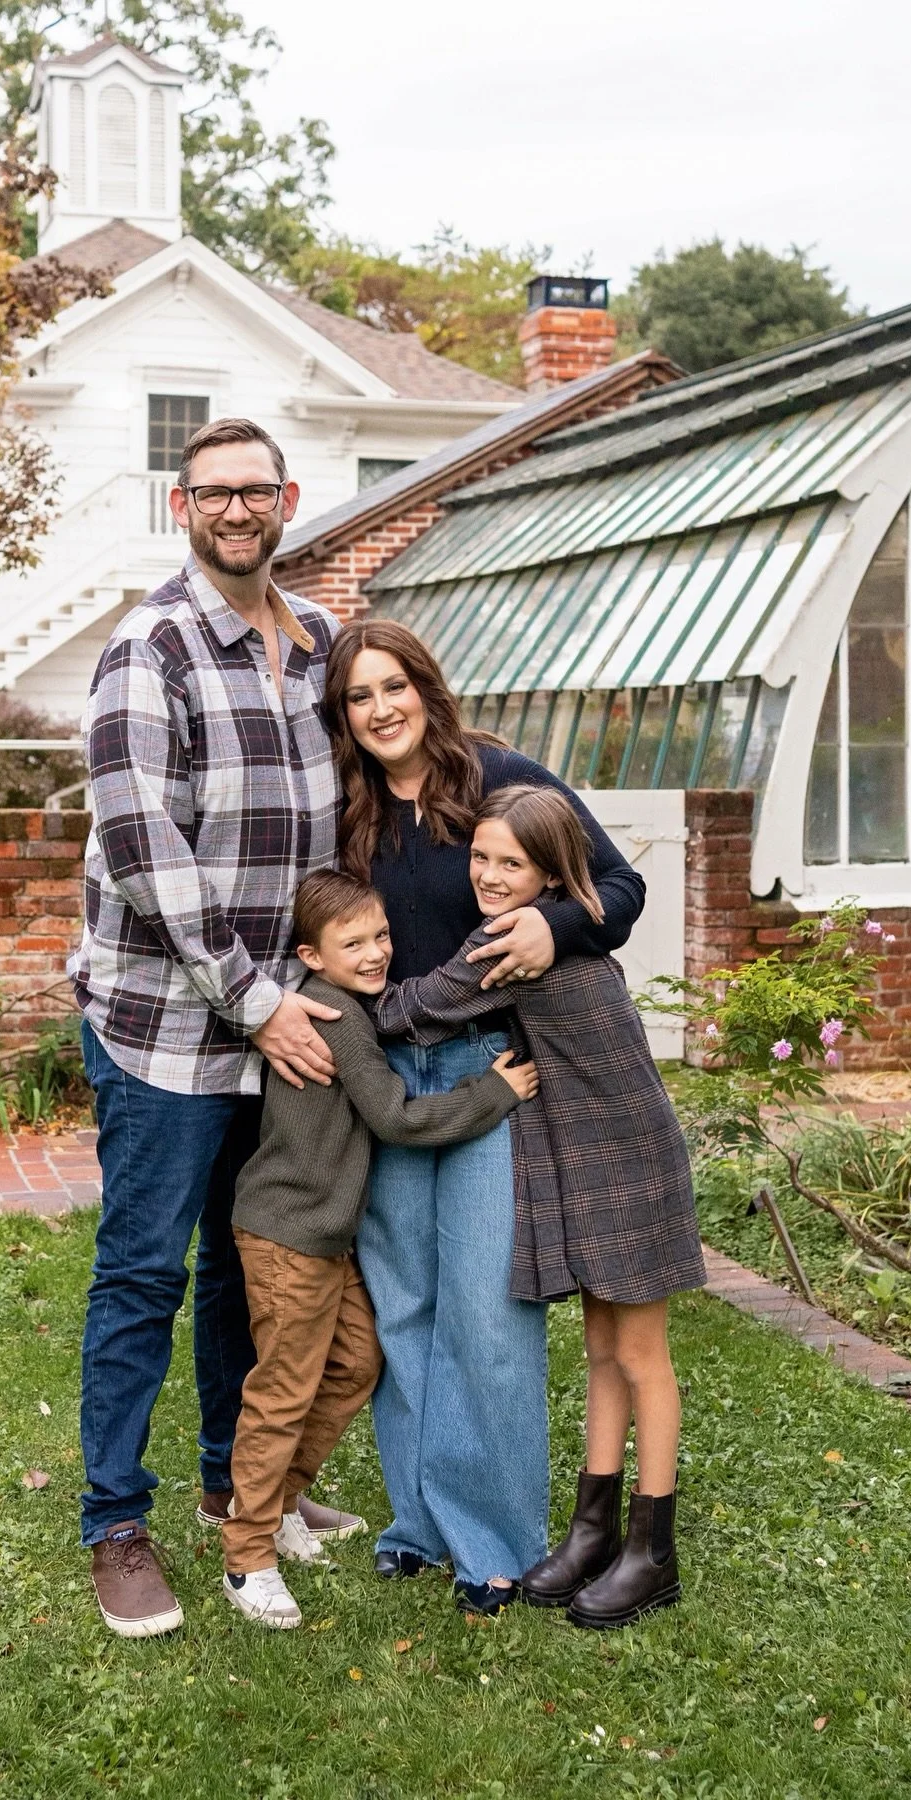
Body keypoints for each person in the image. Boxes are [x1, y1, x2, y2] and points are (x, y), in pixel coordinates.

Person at [69, 417, 363, 1641]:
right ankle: (113, 1525)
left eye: (257, 490)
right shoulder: (150, 649)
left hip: (280, 1028)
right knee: (146, 1274)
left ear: (287, 499)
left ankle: (232, 1485)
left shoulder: (321, 647)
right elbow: (148, 855)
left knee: (259, 1273)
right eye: (214, 493)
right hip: (169, 1027)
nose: (238, 510)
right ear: (179, 506)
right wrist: (260, 1001)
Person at [323, 619, 647, 1614]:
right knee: (405, 1309)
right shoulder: (350, 813)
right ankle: (420, 1524)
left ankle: (499, 1543)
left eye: (394, 687)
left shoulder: (500, 778)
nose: (381, 710)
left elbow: (620, 889)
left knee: (486, 1313)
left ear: (425, 685)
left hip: (494, 1071)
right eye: (358, 698)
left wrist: (550, 926)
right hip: (385, 1077)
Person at [374, 784, 706, 1630]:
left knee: (642, 1356)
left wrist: (336, 988)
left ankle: (651, 1550)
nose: (485, 875)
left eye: (507, 863)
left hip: (627, 1159)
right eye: (478, 857)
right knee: (602, 1349)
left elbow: (415, 1010)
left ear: (549, 871)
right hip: (589, 1156)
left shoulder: (513, 946)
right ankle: (593, 1532)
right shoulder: (550, 922)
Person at [221, 869, 537, 1628]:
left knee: (359, 1359)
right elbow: (395, 1119)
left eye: (381, 936)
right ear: (312, 955)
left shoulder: (347, 1004)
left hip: (325, 1236)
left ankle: (282, 1500)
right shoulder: (336, 1016)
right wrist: (494, 1093)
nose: (375, 953)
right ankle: (246, 1554)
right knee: (284, 1387)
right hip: (289, 1234)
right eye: (352, 943)